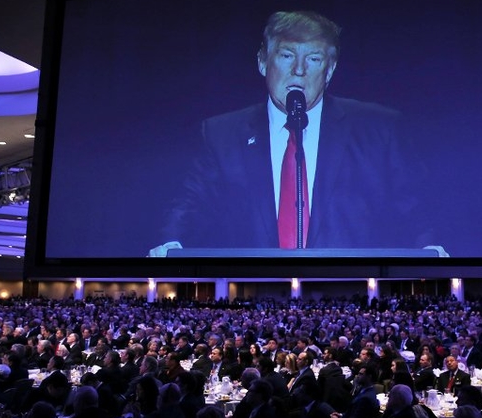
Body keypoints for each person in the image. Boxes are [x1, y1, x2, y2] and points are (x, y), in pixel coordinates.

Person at [149, 10, 439, 255]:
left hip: (350, 286)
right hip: (253, 288)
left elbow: (417, 211)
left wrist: (432, 251)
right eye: (287, 55)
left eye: (313, 59)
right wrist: (170, 246)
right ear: (263, 61)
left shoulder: (379, 130)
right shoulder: (221, 134)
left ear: (329, 70)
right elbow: (189, 207)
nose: (299, 70)